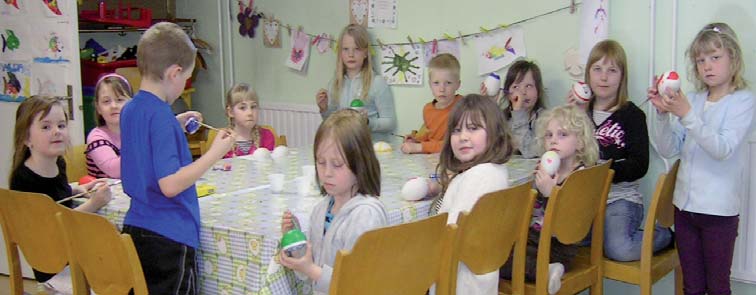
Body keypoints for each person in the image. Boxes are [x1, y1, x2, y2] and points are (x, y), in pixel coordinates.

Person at [119, 22, 236, 294]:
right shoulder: (160, 117)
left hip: (136, 228)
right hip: (169, 238)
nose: (185, 84)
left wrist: (176, 124)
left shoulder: (131, 109)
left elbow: (145, 144)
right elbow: (170, 185)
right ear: (174, 73)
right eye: (186, 78)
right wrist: (213, 154)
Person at [650, 22, 753, 295]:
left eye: (715, 58)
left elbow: (722, 148)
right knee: (691, 286)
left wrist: (686, 114)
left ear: (734, 58)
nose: (707, 66)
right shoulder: (693, 100)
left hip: (719, 213)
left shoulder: (743, 101)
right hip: (684, 210)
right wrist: (662, 115)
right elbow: (668, 147)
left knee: (718, 287)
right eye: (700, 60)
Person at [568, 40, 672, 261]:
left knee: (619, 249)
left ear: (622, 77)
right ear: (588, 75)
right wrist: (576, 114)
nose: (603, 77)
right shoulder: (578, 113)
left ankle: (665, 236)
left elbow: (639, 164)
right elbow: (567, 156)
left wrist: (602, 171)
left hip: (621, 199)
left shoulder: (632, 115)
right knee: (563, 237)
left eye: (612, 70)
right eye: (597, 69)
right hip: (586, 202)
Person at [280, 109, 388, 294]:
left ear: (360, 164)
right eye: (321, 162)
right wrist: (296, 246)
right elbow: (308, 273)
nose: (327, 172)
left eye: (337, 164)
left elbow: (357, 285)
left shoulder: (366, 216)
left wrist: (310, 270)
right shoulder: (321, 210)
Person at [9, 95, 112, 288]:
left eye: (61, 125)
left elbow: (54, 196)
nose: (56, 132)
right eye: (46, 127)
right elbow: (56, 225)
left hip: (75, 252)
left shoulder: (58, 163)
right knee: (120, 278)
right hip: (55, 266)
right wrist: (94, 203)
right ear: (26, 138)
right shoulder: (25, 179)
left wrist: (76, 188)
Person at [500, 105, 599, 294]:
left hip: (559, 247)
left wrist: (551, 194)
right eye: (548, 135)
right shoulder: (546, 167)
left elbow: (570, 224)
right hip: (534, 238)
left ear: (580, 142)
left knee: (500, 260)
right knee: (496, 249)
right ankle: (543, 270)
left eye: (562, 135)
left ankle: (546, 271)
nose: (554, 140)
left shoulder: (580, 176)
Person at [432, 94, 514, 294]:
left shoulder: (477, 177)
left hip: (457, 284)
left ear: (494, 132)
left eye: (473, 128)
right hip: (480, 281)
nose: (463, 137)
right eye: (457, 130)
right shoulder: (496, 171)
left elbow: (450, 234)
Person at [315, 24, 396, 141]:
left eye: (357, 49)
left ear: (365, 53)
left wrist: (368, 122)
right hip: (345, 146)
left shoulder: (377, 83)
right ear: (340, 53)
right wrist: (324, 109)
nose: (351, 54)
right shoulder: (334, 83)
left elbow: (390, 122)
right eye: (346, 49)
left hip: (371, 149)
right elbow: (332, 122)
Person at [481, 60, 546, 158]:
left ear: (538, 91)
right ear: (507, 94)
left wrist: (518, 113)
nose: (522, 92)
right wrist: (490, 107)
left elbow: (529, 152)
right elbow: (488, 147)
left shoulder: (546, 119)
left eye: (529, 86)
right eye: (516, 86)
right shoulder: (503, 118)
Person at [401, 53, 463, 154]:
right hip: (430, 161)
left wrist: (420, 147)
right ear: (430, 84)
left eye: (448, 83)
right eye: (436, 83)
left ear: (457, 85)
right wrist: (415, 139)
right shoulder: (427, 109)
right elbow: (430, 134)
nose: (442, 89)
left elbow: (454, 144)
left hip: (452, 160)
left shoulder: (464, 106)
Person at [85, 73, 132, 178]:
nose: (114, 106)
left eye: (120, 100)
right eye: (106, 101)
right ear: (98, 108)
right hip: (106, 193)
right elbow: (115, 171)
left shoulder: (138, 131)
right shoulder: (96, 137)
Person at [223, 83, 275, 158]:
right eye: (242, 108)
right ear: (230, 112)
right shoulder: (223, 140)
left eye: (253, 107)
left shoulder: (267, 136)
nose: (250, 113)